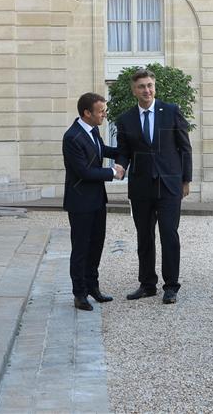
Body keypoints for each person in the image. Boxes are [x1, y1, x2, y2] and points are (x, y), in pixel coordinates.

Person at [115, 69, 192, 304]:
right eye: (141, 86)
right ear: (134, 90)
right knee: (144, 236)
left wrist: (186, 180)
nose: (146, 90)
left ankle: (171, 286)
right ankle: (147, 284)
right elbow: (124, 152)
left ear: (154, 87)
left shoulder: (171, 111)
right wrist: (120, 166)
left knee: (169, 234)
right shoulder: (125, 119)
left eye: (150, 85)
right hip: (141, 187)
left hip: (169, 185)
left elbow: (184, 147)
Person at [64, 92, 124, 311]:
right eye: (101, 111)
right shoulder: (72, 137)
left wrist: (125, 152)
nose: (104, 115)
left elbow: (102, 151)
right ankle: (79, 294)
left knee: (97, 245)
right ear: (86, 113)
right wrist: (112, 172)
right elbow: (83, 171)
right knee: (81, 248)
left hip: (97, 199)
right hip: (80, 202)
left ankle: (93, 287)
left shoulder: (94, 130)